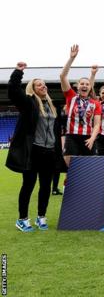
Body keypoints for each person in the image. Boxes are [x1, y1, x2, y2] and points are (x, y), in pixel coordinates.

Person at [7, 62, 65, 232]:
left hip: (49, 152)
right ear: (32, 88)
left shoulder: (52, 106)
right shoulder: (28, 102)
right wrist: (18, 72)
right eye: (39, 84)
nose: (43, 86)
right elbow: (12, 90)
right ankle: (22, 219)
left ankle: (41, 216)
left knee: (46, 186)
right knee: (29, 185)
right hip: (33, 151)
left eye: (44, 84)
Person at [59, 45, 101, 166]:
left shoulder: (95, 103)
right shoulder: (71, 97)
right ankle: (68, 185)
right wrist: (71, 58)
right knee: (71, 168)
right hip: (72, 137)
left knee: (89, 169)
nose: (84, 85)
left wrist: (93, 138)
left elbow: (97, 123)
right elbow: (62, 76)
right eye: (82, 83)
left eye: (87, 84)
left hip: (88, 137)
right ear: (77, 86)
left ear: (90, 87)